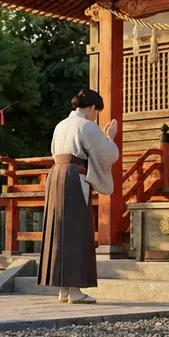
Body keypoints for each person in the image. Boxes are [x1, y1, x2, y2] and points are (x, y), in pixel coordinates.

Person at [37, 88, 119, 304]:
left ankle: (64, 289)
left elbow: (55, 151)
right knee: (76, 230)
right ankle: (74, 291)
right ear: (91, 108)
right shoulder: (87, 126)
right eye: (96, 111)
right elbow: (108, 155)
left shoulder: (61, 125)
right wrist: (110, 138)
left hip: (56, 175)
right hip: (74, 176)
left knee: (60, 231)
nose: (96, 116)